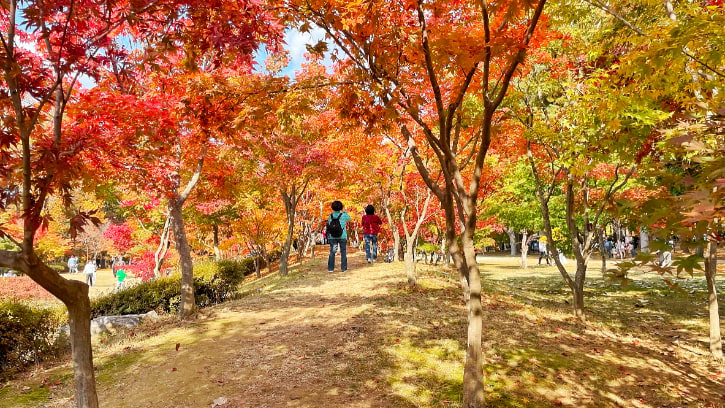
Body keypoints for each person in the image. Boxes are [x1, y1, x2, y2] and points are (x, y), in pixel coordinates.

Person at [327, 200, 352, 272]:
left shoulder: (330, 216)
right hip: (342, 236)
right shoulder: (343, 215)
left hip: (332, 236)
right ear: (341, 207)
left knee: (332, 251)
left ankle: (330, 268)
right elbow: (349, 218)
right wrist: (344, 211)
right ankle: (344, 268)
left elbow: (329, 224)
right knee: (343, 251)